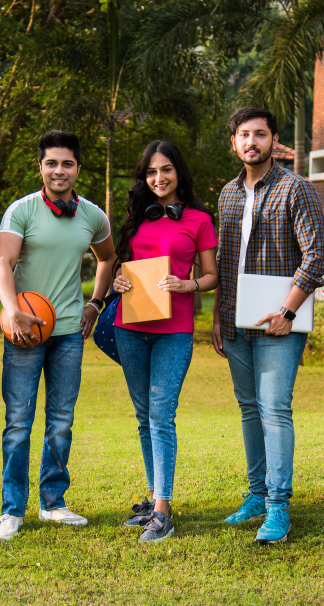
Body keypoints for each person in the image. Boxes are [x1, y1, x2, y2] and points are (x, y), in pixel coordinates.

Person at [0, 130, 116, 541]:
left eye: (67, 163)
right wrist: (13, 313)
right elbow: (2, 265)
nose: (59, 170)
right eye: (51, 163)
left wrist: (95, 303)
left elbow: (108, 258)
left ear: (78, 169)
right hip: (24, 334)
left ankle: (53, 503)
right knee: (19, 422)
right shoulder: (21, 211)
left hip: (68, 334)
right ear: (40, 167)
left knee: (60, 422)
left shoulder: (93, 216)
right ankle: (12, 510)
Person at [212, 107, 324, 544]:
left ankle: (278, 507)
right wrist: (221, 320)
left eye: (259, 134)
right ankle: (257, 495)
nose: (251, 142)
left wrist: (289, 312)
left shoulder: (297, 189)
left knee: (275, 409)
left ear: (274, 140)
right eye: (243, 135)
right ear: (234, 142)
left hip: (280, 324)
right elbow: (224, 261)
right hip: (235, 324)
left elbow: (316, 256)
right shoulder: (227, 194)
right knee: (248, 409)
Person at [111, 140, 219, 543]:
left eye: (166, 170)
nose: (159, 178)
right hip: (130, 326)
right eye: (151, 172)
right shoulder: (136, 218)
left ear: (179, 173)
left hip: (174, 331)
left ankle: (164, 511)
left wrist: (185, 283)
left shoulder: (199, 219)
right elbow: (122, 266)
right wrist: (119, 282)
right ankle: (154, 498)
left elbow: (211, 276)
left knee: (161, 415)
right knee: (144, 417)